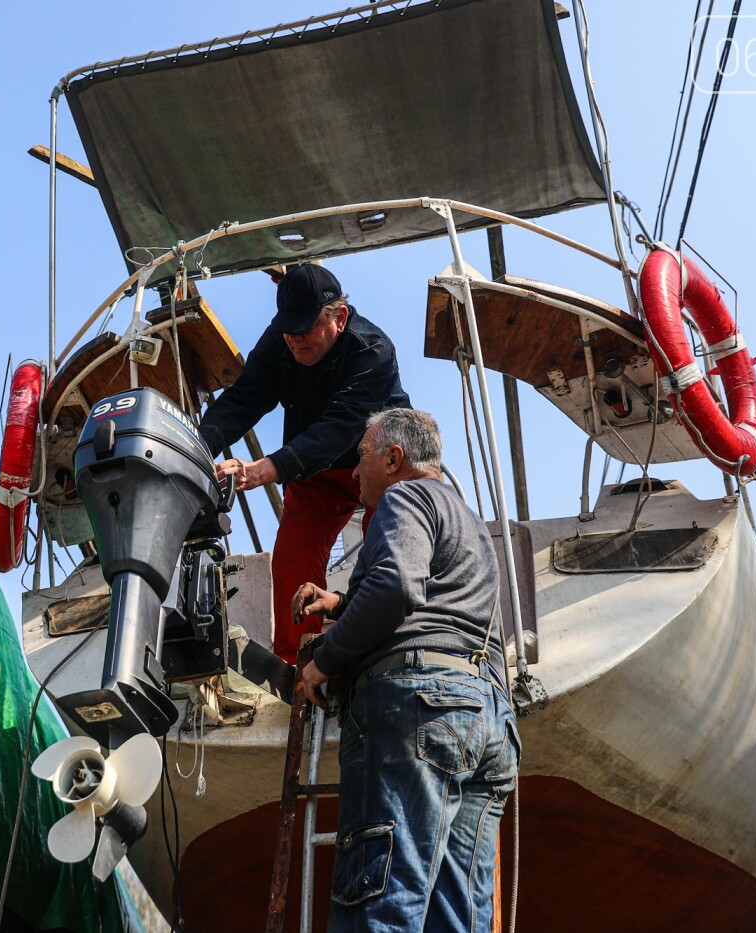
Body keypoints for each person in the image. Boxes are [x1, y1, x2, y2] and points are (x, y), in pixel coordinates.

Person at [291, 408, 519, 933]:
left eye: (361, 458)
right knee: (455, 915)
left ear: (393, 458)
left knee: (382, 902)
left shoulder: (404, 497)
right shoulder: (466, 520)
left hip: (417, 709)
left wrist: (322, 664)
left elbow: (397, 588)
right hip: (486, 721)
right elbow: (432, 601)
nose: (353, 473)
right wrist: (342, 603)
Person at [198, 263, 409, 663]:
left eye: (305, 327)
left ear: (339, 318)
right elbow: (244, 399)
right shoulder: (281, 342)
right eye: (288, 328)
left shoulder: (373, 351)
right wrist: (196, 448)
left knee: (386, 549)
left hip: (383, 466)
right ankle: (299, 666)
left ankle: (385, 648)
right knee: (293, 561)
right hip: (318, 476)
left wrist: (260, 470)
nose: (294, 339)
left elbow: (341, 426)